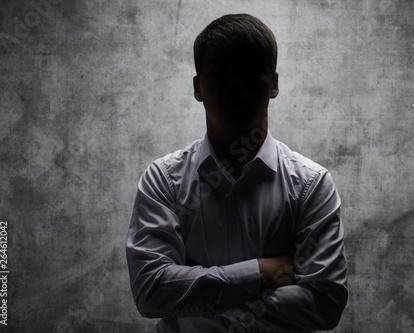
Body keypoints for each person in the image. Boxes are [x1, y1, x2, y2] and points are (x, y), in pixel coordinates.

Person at [126, 13, 347, 333]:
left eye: (249, 69)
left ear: (274, 83)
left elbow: (324, 305)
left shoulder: (311, 185)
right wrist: (261, 273)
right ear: (197, 87)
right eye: (218, 72)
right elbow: (150, 292)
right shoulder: (163, 180)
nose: (235, 84)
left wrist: (196, 300)